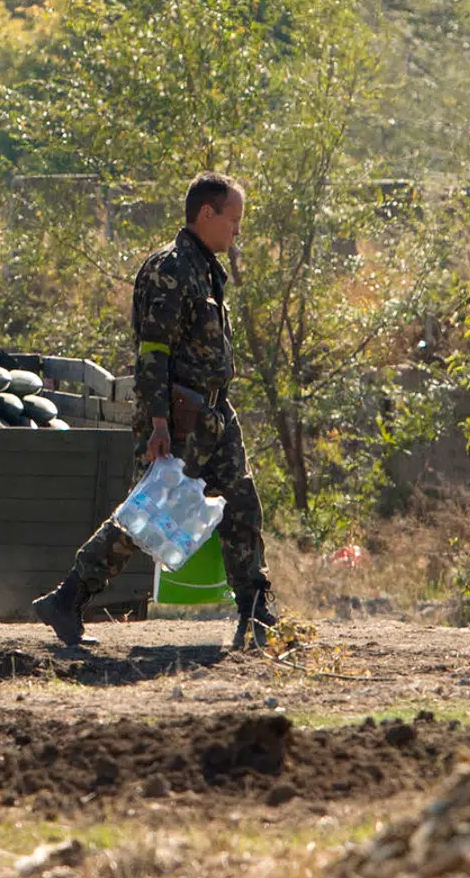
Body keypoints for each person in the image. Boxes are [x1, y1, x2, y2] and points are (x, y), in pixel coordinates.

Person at [31, 172, 278, 651]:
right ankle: (68, 598)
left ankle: (255, 611)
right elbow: (153, 352)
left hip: (214, 412)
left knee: (242, 505)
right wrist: (159, 423)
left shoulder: (205, 268)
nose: (237, 230)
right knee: (150, 516)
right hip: (180, 416)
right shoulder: (170, 268)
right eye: (233, 219)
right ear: (206, 213)